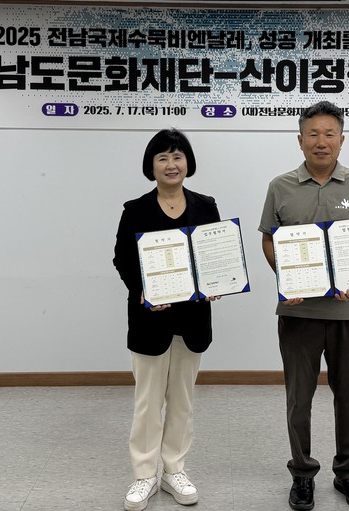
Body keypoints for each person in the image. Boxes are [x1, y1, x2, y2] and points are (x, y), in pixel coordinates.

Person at [258, 101, 349, 511]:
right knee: (299, 399)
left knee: (348, 396)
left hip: (348, 313)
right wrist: (286, 276)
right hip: (298, 312)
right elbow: (269, 239)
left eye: (329, 134)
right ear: (300, 140)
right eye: (313, 134)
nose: (321, 141)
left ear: (341, 140)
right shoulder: (280, 186)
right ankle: (302, 474)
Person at [113, 129, 221, 511]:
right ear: (152, 166)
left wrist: (216, 282)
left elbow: (214, 254)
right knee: (147, 402)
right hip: (150, 319)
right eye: (162, 158)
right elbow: (123, 260)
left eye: (177, 156)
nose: (171, 164)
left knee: (182, 401)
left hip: (192, 319)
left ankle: (174, 469)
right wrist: (143, 289)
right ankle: (144, 474)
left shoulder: (206, 206)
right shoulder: (135, 210)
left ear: (187, 162)